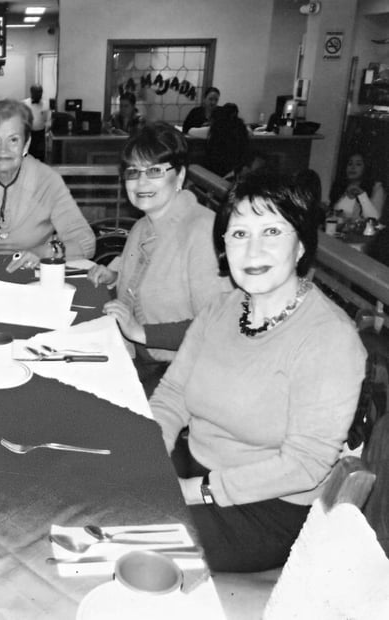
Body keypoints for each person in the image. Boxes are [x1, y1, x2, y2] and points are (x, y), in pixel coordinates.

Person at [150, 171, 366, 572]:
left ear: (301, 245)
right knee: (96, 489)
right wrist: (148, 452)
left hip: (265, 508)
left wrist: (196, 491)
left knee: (123, 535)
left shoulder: (330, 338)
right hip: (196, 468)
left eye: (271, 231)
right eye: (238, 234)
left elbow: (304, 464)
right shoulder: (221, 309)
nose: (252, 252)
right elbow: (173, 396)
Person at [87, 123, 231, 395]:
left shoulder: (202, 232)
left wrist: (140, 332)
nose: (141, 182)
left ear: (179, 177)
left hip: (181, 371)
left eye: (154, 171)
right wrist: (116, 275)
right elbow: (153, 275)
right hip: (141, 356)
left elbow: (217, 326)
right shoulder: (144, 225)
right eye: (133, 172)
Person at [0, 99, 95, 270]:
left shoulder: (48, 181)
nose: (2, 150)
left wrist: (43, 252)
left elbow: (85, 242)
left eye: (13, 140)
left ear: (26, 144)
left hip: (31, 276)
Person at [329, 153, 385, 222]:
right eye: (350, 164)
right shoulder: (339, 186)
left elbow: (374, 219)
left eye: (358, 164)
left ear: (365, 168)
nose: (352, 167)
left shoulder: (376, 188)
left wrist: (362, 195)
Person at [204, 103, 249, 179]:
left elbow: (190, 131)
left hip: (217, 168)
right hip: (236, 168)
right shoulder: (241, 128)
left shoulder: (217, 128)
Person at [23, 85, 50, 161]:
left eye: (40, 92)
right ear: (32, 92)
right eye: (37, 92)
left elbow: (47, 119)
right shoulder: (25, 103)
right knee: (29, 155)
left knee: (41, 155)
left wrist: (48, 126)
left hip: (40, 133)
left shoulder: (45, 104)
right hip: (29, 133)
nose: (39, 94)